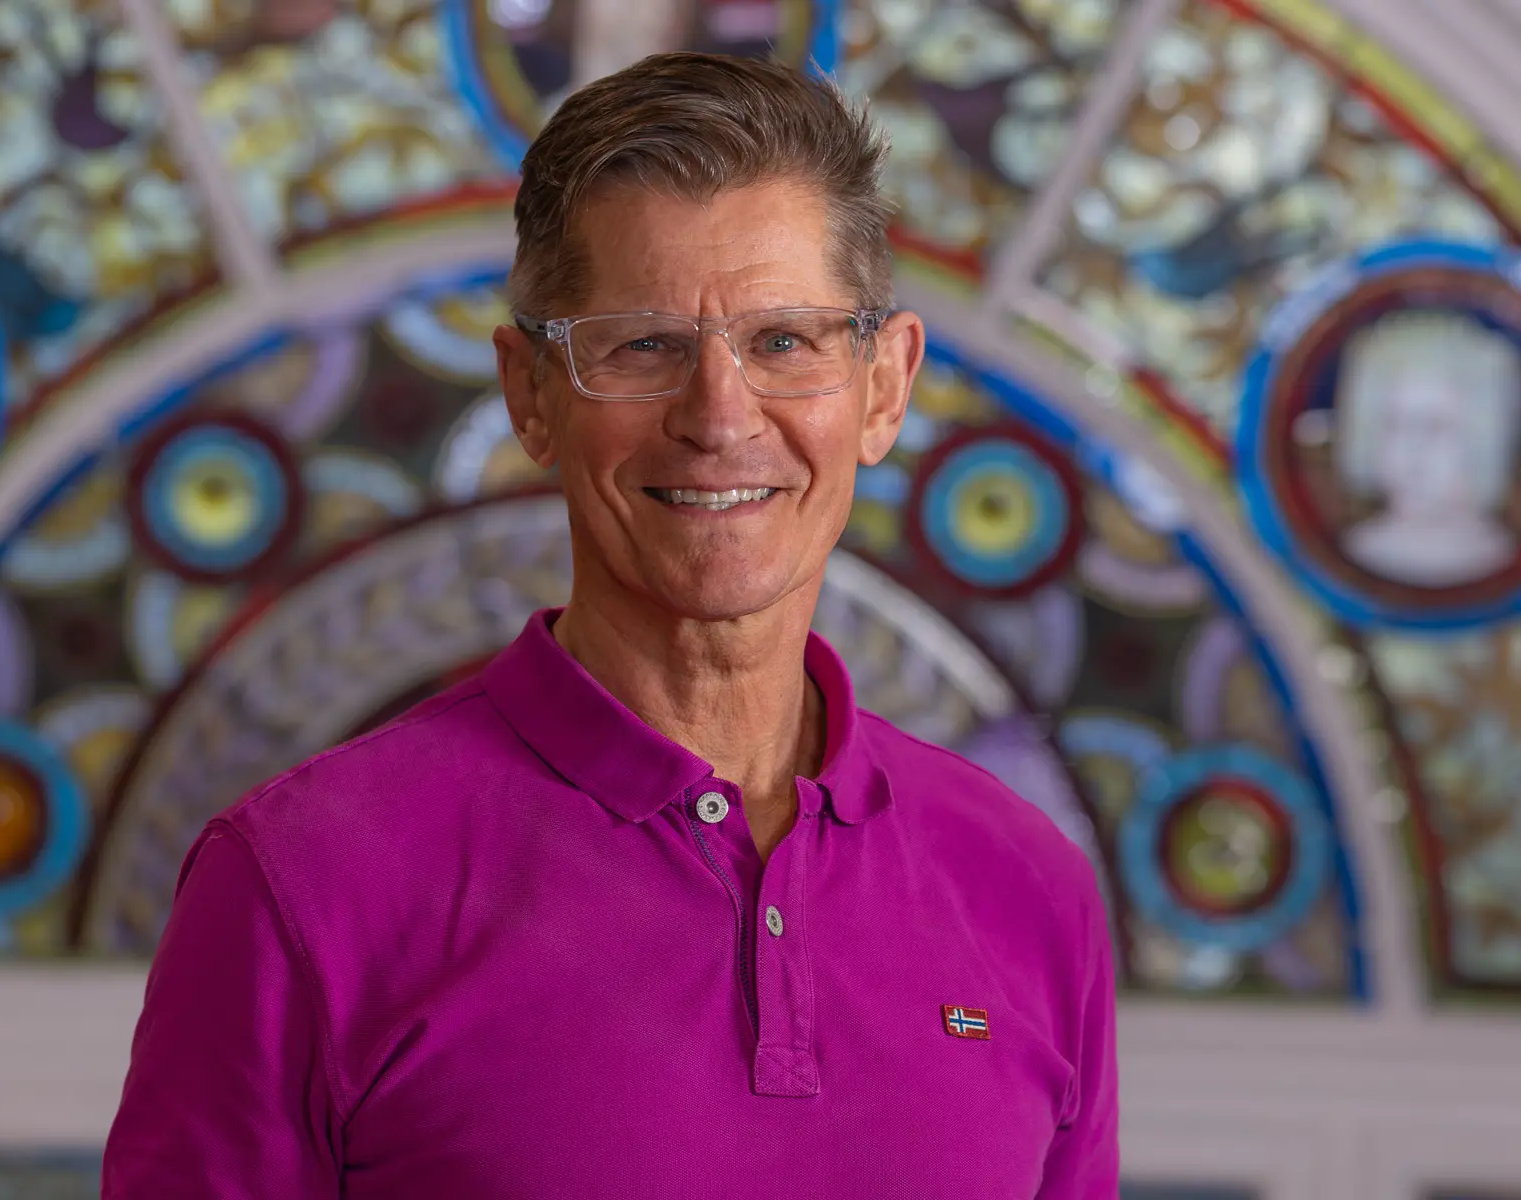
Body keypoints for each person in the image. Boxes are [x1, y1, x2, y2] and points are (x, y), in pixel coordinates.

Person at [102, 52, 1118, 1198]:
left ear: (883, 386)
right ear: (530, 394)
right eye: (643, 347)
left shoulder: (1026, 888)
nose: (719, 416)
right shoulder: (300, 884)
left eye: (784, 341)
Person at [1334, 309, 1521, 587]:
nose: (1413, 449)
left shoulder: (1505, 560)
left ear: (1485, 437)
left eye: (1437, 426)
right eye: (1394, 424)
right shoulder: (1349, 554)